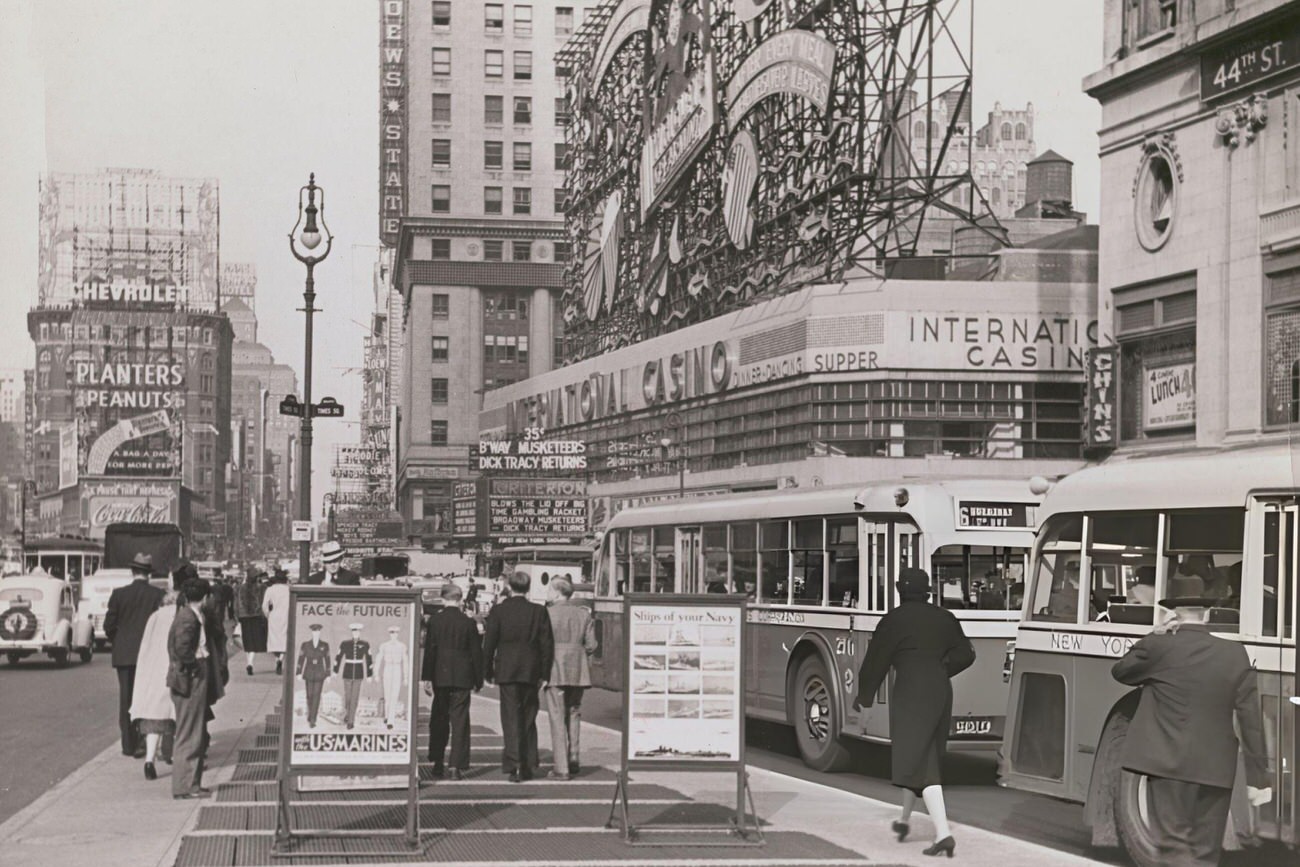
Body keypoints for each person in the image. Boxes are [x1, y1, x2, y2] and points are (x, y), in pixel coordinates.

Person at [1112, 595, 1271, 866]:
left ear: (1172, 614)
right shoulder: (1235, 653)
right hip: (1216, 771)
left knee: (1174, 850)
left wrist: (1154, 635)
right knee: (1206, 854)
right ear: (1208, 614)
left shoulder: (1160, 647)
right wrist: (1258, 778)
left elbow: (1121, 671)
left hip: (1167, 767)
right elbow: (1250, 719)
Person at [854, 567, 975, 858]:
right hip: (940, 690)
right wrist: (941, 668)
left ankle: (944, 834)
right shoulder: (944, 617)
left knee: (921, 763)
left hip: (910, 692)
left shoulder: (893, 620)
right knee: (921, 754)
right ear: (928, 590)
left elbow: (875, 663)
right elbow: (967, 654)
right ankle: (904, 820)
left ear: (899, 590)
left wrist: (865, 700)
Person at [483, 571, 554, 783]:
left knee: (510, 718)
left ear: (509, 587)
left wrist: (487, 672)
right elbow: (546, 645)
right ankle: (528, 763)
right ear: (528, 588)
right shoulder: (539, 611)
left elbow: (489, 644)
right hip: (531, 670)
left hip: (507, 669)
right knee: (529, 717)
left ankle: (514, 764)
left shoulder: (499, 611)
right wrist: (545, 673)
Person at [130, 563, 192, 780]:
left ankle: (149, 760)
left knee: (154, 719)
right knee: (175, 715)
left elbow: (145, 646)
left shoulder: (155, 616)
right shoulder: (184, 615)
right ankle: (173, 755)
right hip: (174, 670)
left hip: (154, 671)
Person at [104, 552, 166, 759]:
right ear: (149, 574)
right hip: (149, 655)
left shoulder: (119, 594)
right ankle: (143, 741)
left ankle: (128, 744)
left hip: (124, 655)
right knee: (147, 697)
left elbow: (108, 626)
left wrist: (120, 642)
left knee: (126, 699)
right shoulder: (157, 595)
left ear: (132, 571)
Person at [168, 577, 224, 800]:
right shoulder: (188, 618)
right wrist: (193, 666)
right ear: (204, 598)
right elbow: (181, 648)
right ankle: (184, 786)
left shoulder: (191, 615)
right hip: (191, 677)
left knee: (195, 730)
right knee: (189, 732)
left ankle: (192, 783)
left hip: (194, 674)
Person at [422, 583, 484, 779]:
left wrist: (427, 677)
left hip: (440, 675)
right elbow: (476, 652)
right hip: (462, 676)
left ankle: (438, 761)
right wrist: (478, 679)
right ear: (460, 599)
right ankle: (456, 765)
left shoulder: (435, 621)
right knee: (460, 721)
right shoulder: (468, 623)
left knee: (439, 719)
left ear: (443, 598)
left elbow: (430, 652)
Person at [543, 577, 597, 780]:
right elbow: (591, 645)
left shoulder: (547, 614)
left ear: (557, 593)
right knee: (574, 712)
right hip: (578, 668)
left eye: (549, 589)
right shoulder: (583, 614)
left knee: (557, 716)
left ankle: (561, 767)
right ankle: (574, 756)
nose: (548, 593)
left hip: (554, 668)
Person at [334, 623, 373, 729]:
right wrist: (335, 670)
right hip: (347, 672)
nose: (356, 633)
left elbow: (369, 659)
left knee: (354, 698)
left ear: (359, 632)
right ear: (352, 632)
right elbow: (338, 657)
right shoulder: (345, 644)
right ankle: (347, 714)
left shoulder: (365, 644)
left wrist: (369, 674)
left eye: (357, 631)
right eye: (354, 631)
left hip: (359, 673)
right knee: (348, 697)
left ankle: (351, 721)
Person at [296, 623, 331, 728]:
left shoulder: (324, 645)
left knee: (316, 695)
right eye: (314, 631)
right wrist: (298, 672)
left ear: (320, 632)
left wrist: (328, 674)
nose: (316, 633)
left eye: (318, 631)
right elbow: (301, 658)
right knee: (309, 695)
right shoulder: (305, 645)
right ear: (312, 632)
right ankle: (311, 714)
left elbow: (327, 660)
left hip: (320, 673)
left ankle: (313, 719)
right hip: (309, 672)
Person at [376, 625, 409, 730]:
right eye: (391, 633)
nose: (393, 635)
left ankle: (390, 720)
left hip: (397, 669)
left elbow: (405, 662)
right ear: (389, 634)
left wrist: (406, 677)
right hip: (388, 668)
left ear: (397, 634)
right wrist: (376, 673)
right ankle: (386, 716)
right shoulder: (384, 645)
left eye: (395, 633)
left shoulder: (402, 646)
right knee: (387, 696)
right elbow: (378, 659)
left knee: (394, 695)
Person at [235, 570, 268, 675]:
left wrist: (237, 616)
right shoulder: (261, 588)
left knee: (247, 641)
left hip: (244, 617)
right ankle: (250, 663)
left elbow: (237, 603)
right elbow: (264, 603)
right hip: (256, 616)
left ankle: (249, 662)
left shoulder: (241, 588)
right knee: (255, 642)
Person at [262, 569, 290, 674]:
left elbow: (264, 605)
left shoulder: (270, 589)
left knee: (274, 640)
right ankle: (281, 658)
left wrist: (268, 615)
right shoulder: (288, 589)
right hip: (287, 615)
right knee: (285, 639)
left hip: (274, 616)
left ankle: (277, 659)